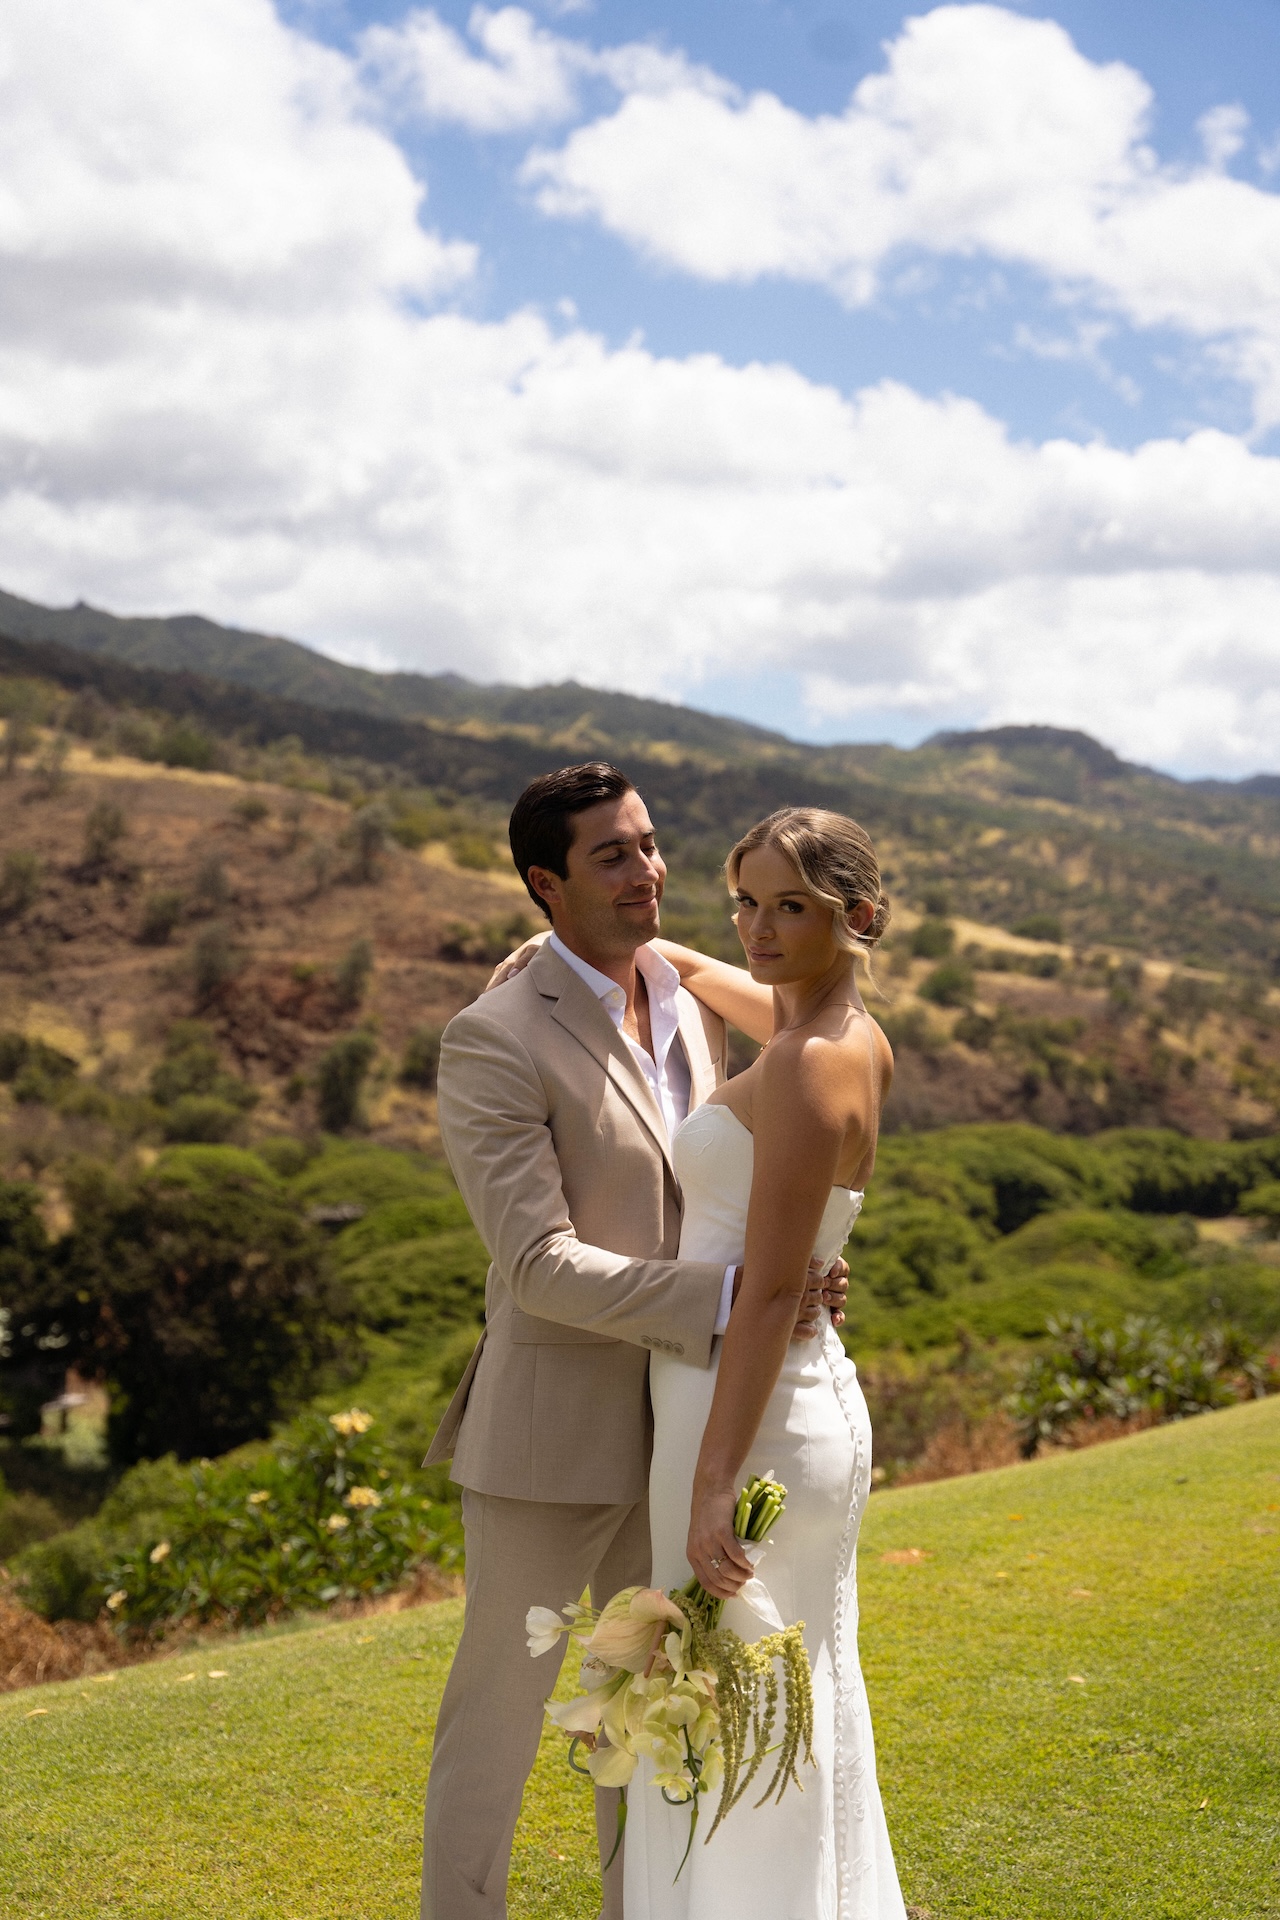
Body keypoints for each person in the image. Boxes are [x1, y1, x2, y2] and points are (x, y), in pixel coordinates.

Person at [420, 763, 848, 1920]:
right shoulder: (493, 1037)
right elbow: (537, 1266)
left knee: (646, 1721)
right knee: (499, 1724)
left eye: (650, 845)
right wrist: (738, 1294)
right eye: (612, 854)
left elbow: (765, 1145)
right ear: (542, 885)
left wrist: (795, 1269)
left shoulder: (690, 989)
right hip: (547, 1442)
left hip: (684, 1427)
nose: (647, 871)